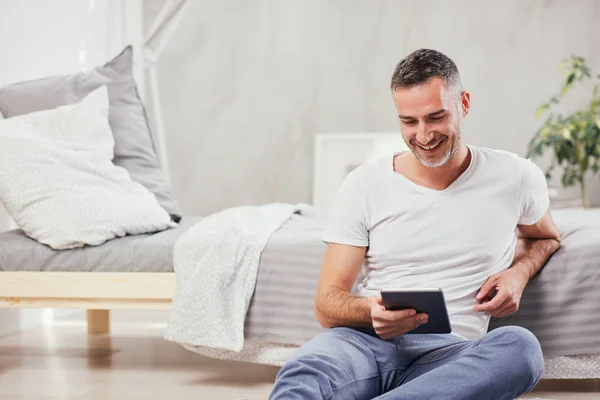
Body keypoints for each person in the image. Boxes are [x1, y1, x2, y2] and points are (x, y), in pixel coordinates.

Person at [269, 49, 562, 400]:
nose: (423, 135)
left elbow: (545, 237)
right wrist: (372, 310)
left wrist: (518, 273)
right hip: (362, 344)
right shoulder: (364, 184)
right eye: (409, 121)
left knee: (521, 349)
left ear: (464, 104)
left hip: (451, 354)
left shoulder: (515, 176)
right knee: (305, 371)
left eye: (436, 117)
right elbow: (327, 304)